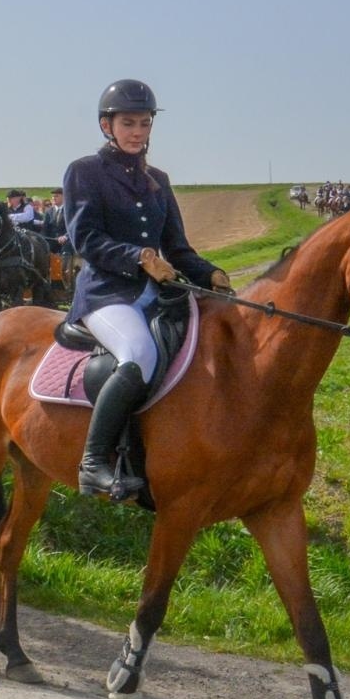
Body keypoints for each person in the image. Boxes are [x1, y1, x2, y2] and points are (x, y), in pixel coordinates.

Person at [64, 79, 231, 499]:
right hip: (106, 294)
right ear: (107, 126)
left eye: (144, 123)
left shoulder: (158, 178)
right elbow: (87, 240)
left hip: (158, 293)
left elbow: (177, 247)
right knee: (139, 354)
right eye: (128, 124)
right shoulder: (84, 172)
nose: (137, 132)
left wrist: (210, 273)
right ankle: (94, 463)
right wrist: (139, 258)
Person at [41, 186, 70, 254]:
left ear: (64, 197)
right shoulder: (49, 211)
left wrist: (65, 236)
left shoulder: (70, 210)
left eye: (56, 196)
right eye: (53, 196)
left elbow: (72, 227)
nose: (54, 198)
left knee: (65, 256)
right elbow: (45, 228)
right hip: (52, 241)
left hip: (66, 243)